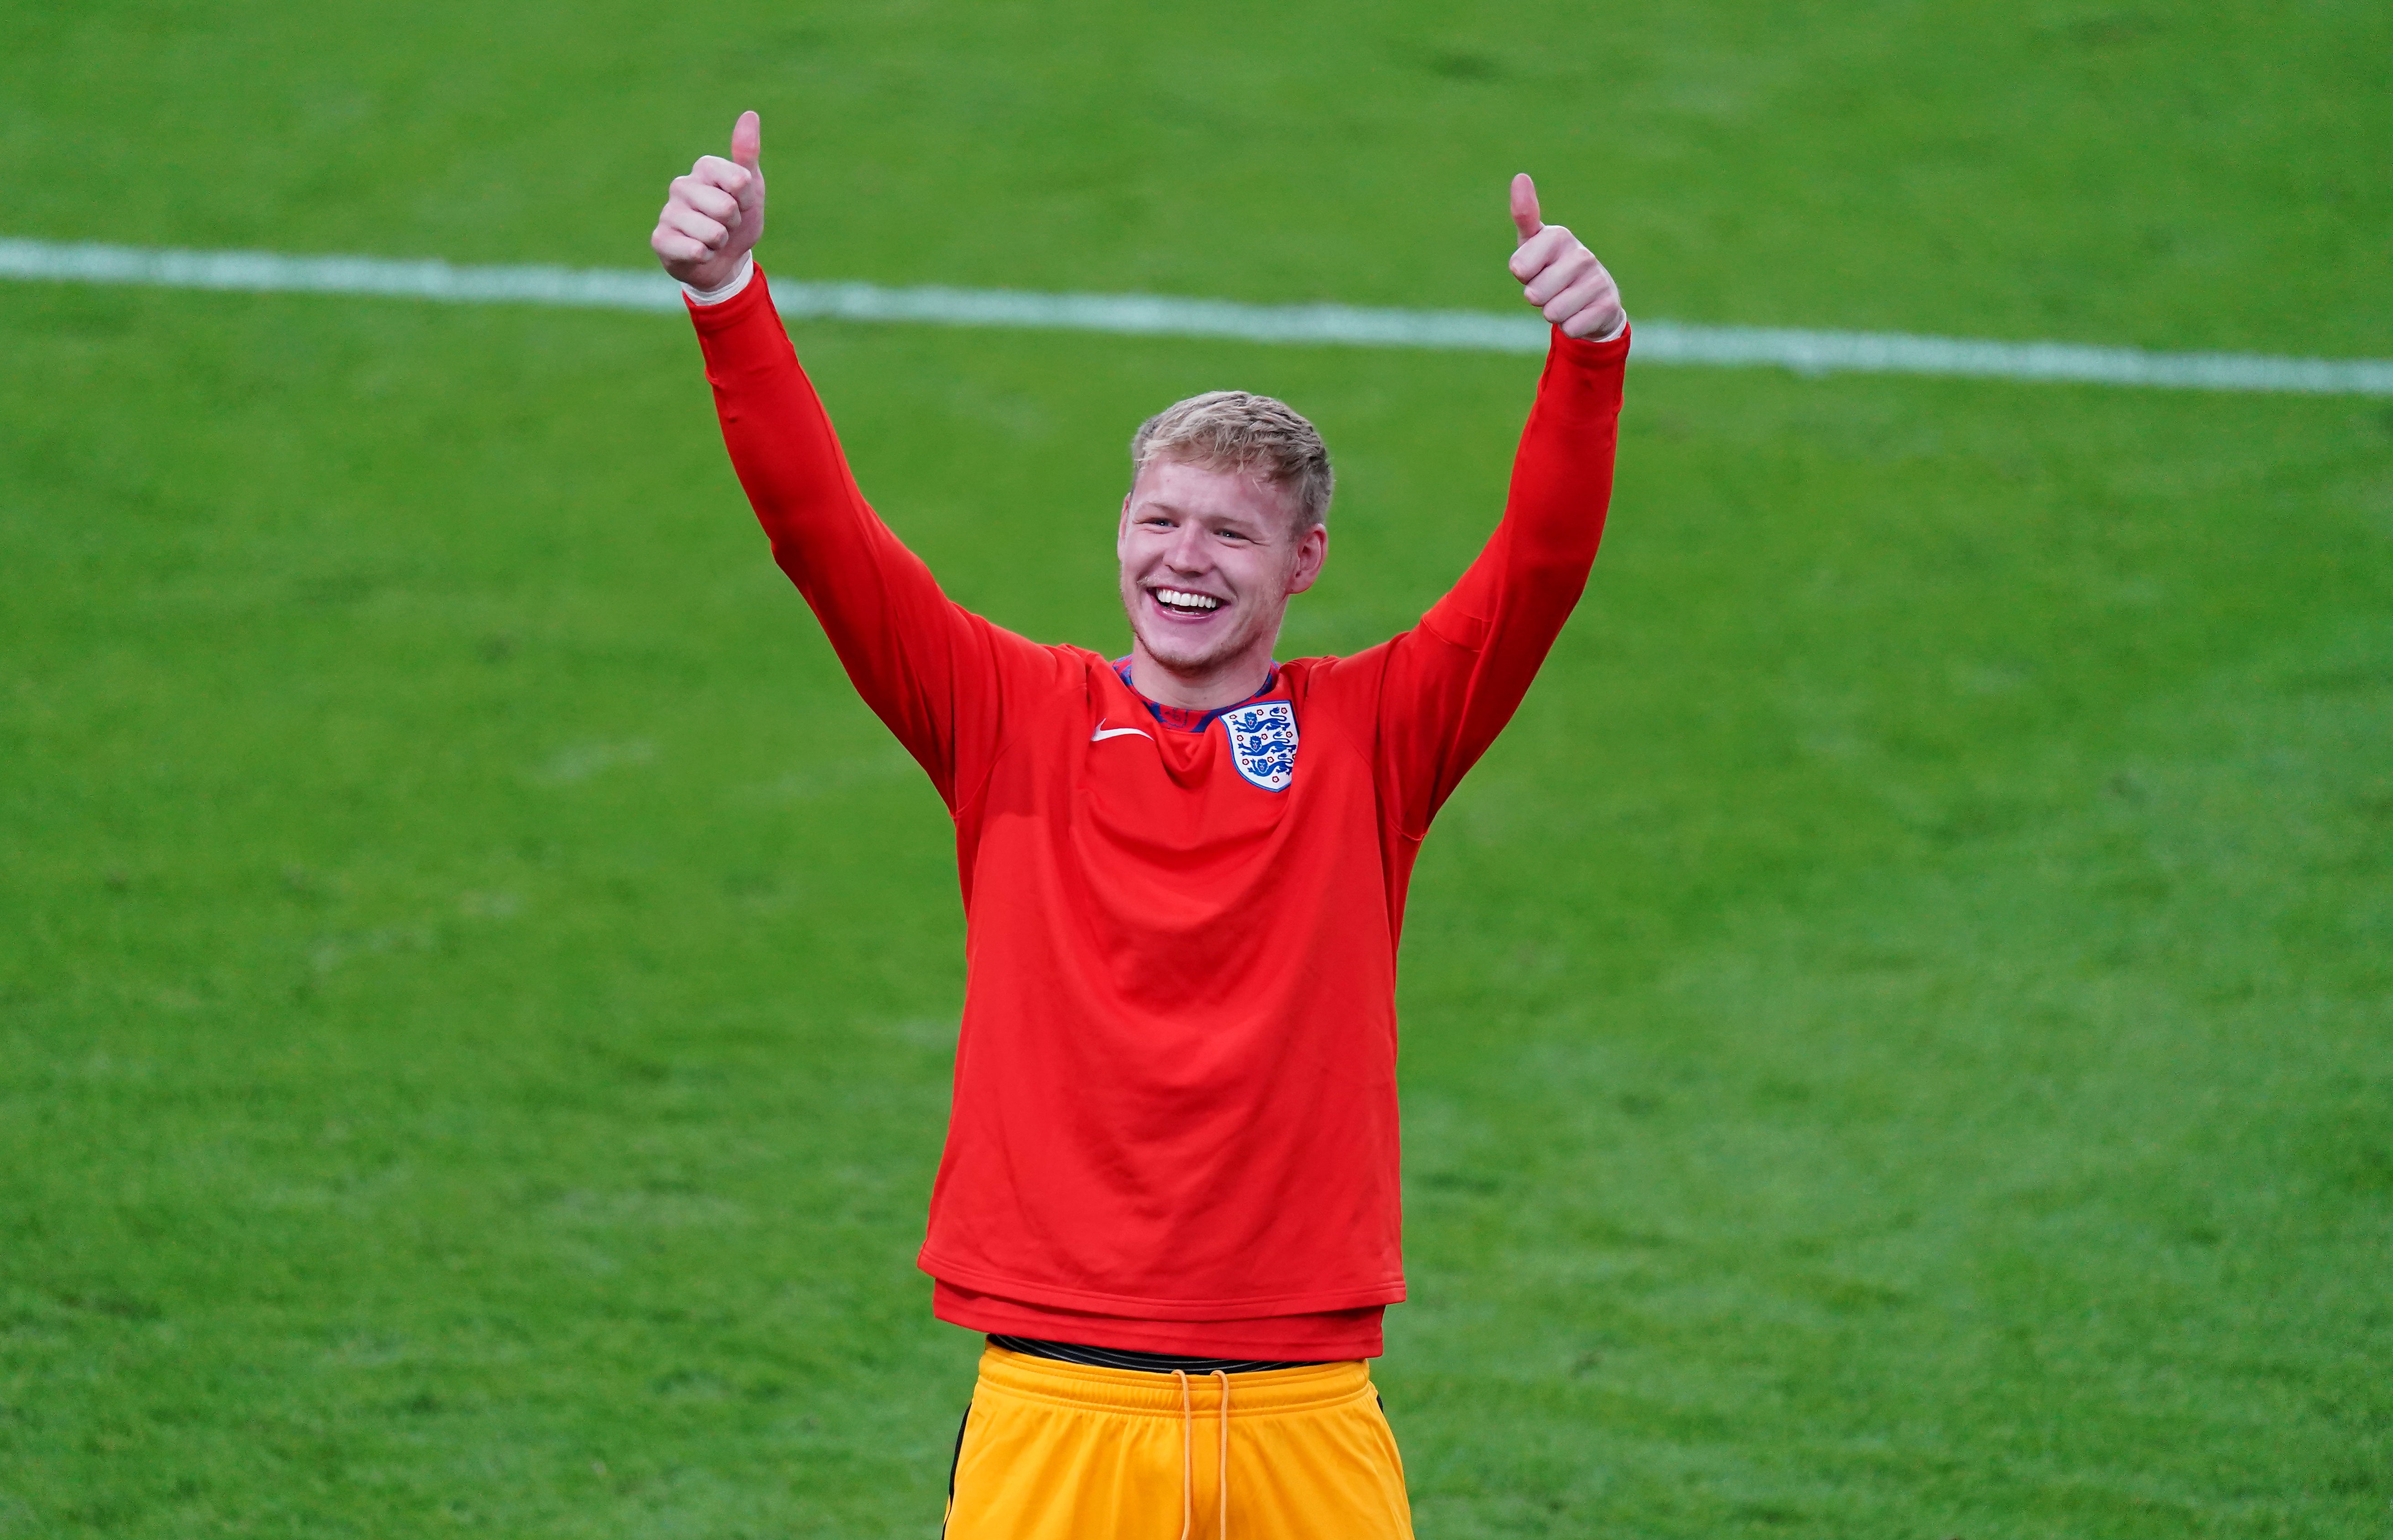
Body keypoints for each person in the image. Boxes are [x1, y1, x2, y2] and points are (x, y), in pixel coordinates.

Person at [650, 109, 1627, 1540]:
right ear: (1119, 530)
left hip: (1304, 1398)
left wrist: (1589, 360)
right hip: (1057, 1397)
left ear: (1304, 563)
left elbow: (1538, 568)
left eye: (1231, 533)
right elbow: (822, 535)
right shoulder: (1004, 712)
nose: (1185, 561)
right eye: (1161, 521)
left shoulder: (1377, 736)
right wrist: (729, 299)